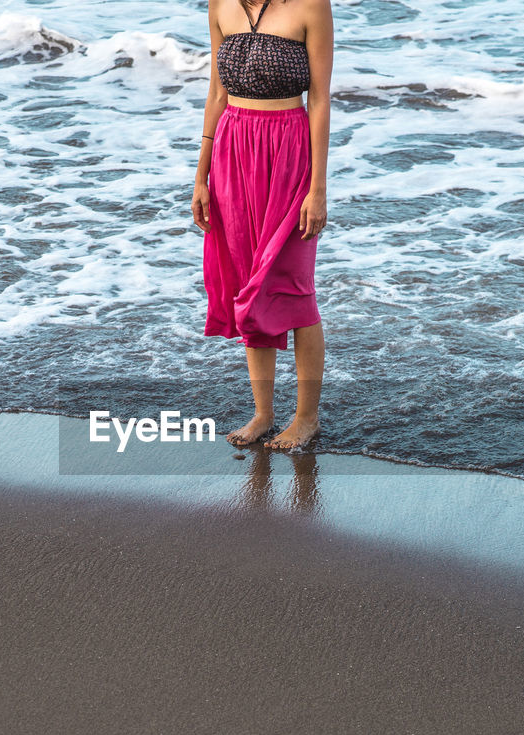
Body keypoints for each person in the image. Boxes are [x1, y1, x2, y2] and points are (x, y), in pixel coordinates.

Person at [192, 0, 334, 450]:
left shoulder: (312, 4)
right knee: (247, 284)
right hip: (233, 151)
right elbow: (216, 95)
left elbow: (321, 99)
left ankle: (306, 419)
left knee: (292, 284)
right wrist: (201, 176)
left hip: (288, 152)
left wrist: (317, 188)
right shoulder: (221, 5)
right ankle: (263, 414)